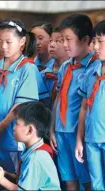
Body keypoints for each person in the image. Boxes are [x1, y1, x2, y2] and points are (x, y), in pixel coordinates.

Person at [0, 19, 39, 174]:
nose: (3, 46)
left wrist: (0, 127)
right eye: (0, 41)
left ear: (22, 41)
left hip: (14, 139)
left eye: (8, 42)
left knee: (12, 177)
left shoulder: (27, 69)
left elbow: (21, 105)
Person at [50, 13, 100, 190]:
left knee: (87, 179)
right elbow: (58, 100)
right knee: (68, 178)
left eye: (68, 39)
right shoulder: (66, 67)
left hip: (78, 133)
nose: (64, 44)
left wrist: (80, 137)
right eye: (62, 39)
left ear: (85, 39)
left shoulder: (95, 67)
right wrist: (52, 129)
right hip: (61, 131)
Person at [0, 101, 61, 190]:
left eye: (16, 124)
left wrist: (0, 179)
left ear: (29, 130)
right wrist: (4, 173)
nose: (13, 128)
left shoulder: (35, 158)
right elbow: (23, 178)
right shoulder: (32, 150)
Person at [75, 20, 105, 190]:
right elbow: (84, 107)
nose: (95, 47)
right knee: (96, 184)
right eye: (94, 42)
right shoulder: (91, 73)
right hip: (91, 139)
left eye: (100, 42)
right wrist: (79, 140)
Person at [42, 27, 69, 109]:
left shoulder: (73, 74)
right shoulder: (43, 75)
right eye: (50, 41)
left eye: (58, 41)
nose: (52, 45)